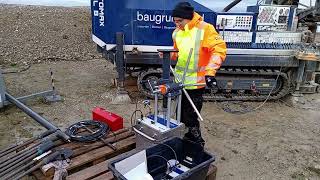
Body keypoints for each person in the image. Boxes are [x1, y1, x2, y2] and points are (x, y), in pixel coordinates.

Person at [171, 2, 227, 146]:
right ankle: (182, 140)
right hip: (179, 82)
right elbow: (178, 52)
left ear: (188, 18)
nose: (177, 24)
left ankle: (196, 144)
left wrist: (210, 72)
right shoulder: (177, 32)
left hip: (196, 83)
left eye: (180, 21)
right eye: (175, 21)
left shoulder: (205, 29)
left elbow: (219, 50)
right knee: (178, 114)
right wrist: (168, 55)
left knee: (190, 116)